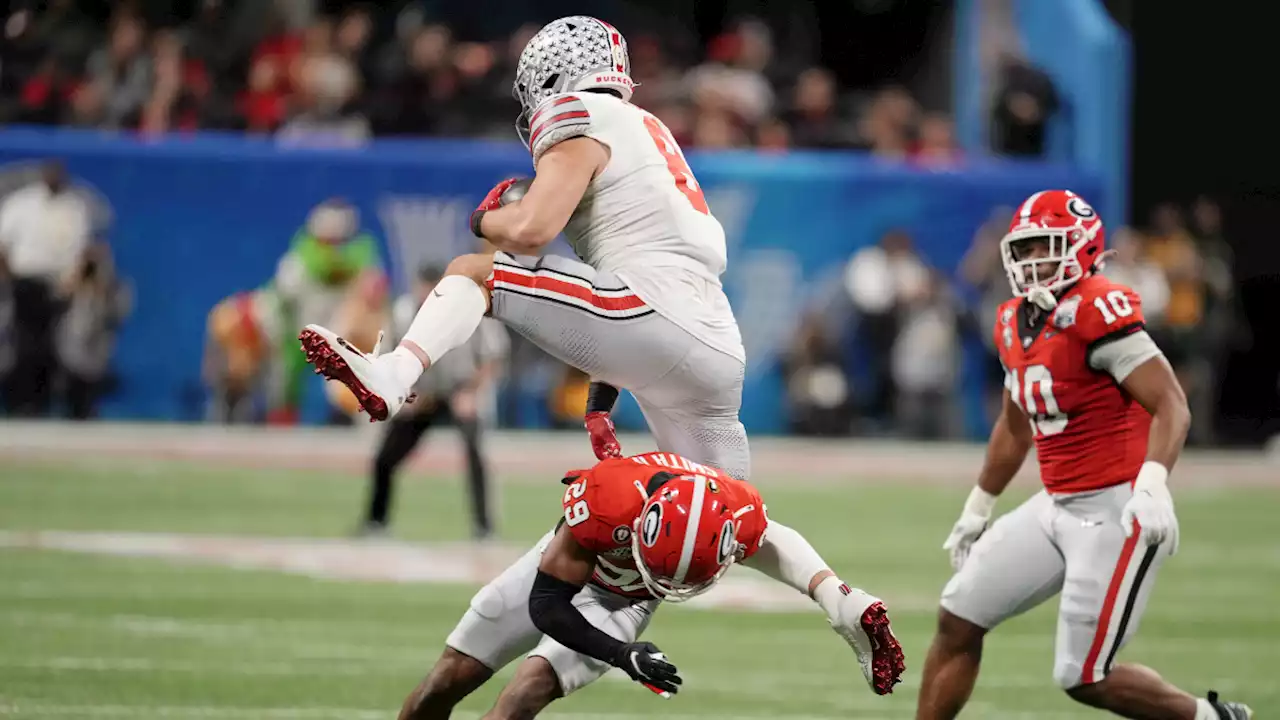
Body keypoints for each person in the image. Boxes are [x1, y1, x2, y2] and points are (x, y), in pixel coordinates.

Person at [296, 15, 904, 691]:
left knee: (476, 269)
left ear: (553, 76)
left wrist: (486, 215)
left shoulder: (577, 112)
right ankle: (842, 600)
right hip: (711, 346)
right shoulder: (648, 129)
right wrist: (610, 377)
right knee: (731, 514)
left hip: (652, 312)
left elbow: (528, 232)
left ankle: (392, 373)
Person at [914, 190, 1253, 720]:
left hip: (1117, 508)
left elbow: (1172, 405)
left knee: (1084, 677)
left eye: (1044, 249)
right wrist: (978, 506)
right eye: (1023, 251)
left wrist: (1152, 483)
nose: (1031, 263)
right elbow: (1013, 426)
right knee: (958, 617)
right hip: (1057, 505)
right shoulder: (1011, 319)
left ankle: (1213, 719)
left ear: (1081, 248)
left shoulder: (1098, 307)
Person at [397, 451, 881, 719]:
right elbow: (546, 603)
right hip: (571, 573)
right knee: (442, 685)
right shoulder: (607, 498)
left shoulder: (739, 512)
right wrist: (619, 654)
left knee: (522, 698)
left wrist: (830, 591)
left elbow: (781, 547)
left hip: (628, 599)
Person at [361, 264, 507, 539]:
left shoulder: (468, 307)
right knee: (385, 456)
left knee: (476, 456)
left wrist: (471, 392)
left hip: (462, 388)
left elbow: (492, 357)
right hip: (423, 393)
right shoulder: (404, 312)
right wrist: (405, 393)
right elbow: (391, 358)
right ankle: (376, 521)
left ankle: (485, 527)